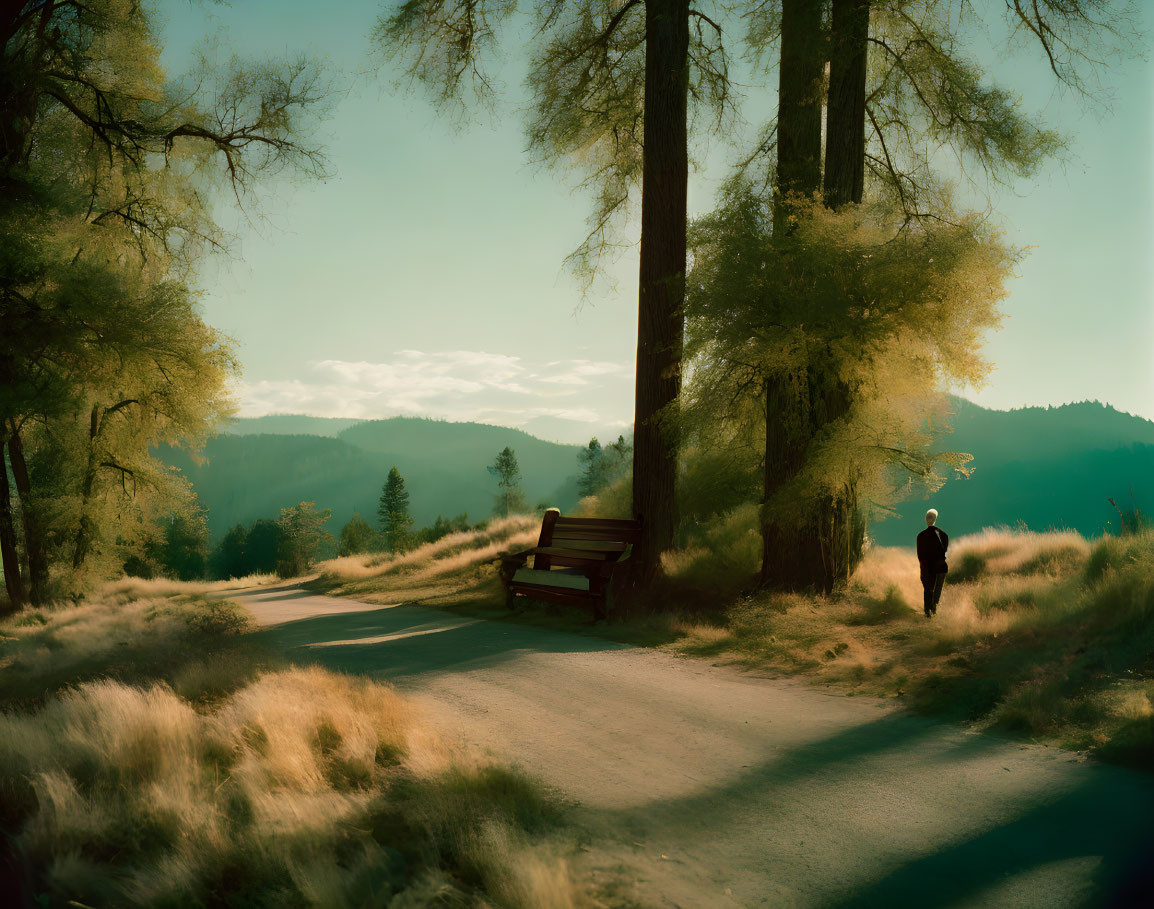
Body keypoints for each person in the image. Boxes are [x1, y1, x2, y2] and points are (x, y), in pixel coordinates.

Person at [916, 508, 948, 617]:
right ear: (935, 519)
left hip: (927, 568)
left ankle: (928, 614)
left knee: (928, 591)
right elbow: (944, 552)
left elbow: (920, 556)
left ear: (926, 519)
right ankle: (933, 612)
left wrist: (923, 570)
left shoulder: (920, 536)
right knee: (936, 592)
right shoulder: (943, 535)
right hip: (940, 568)